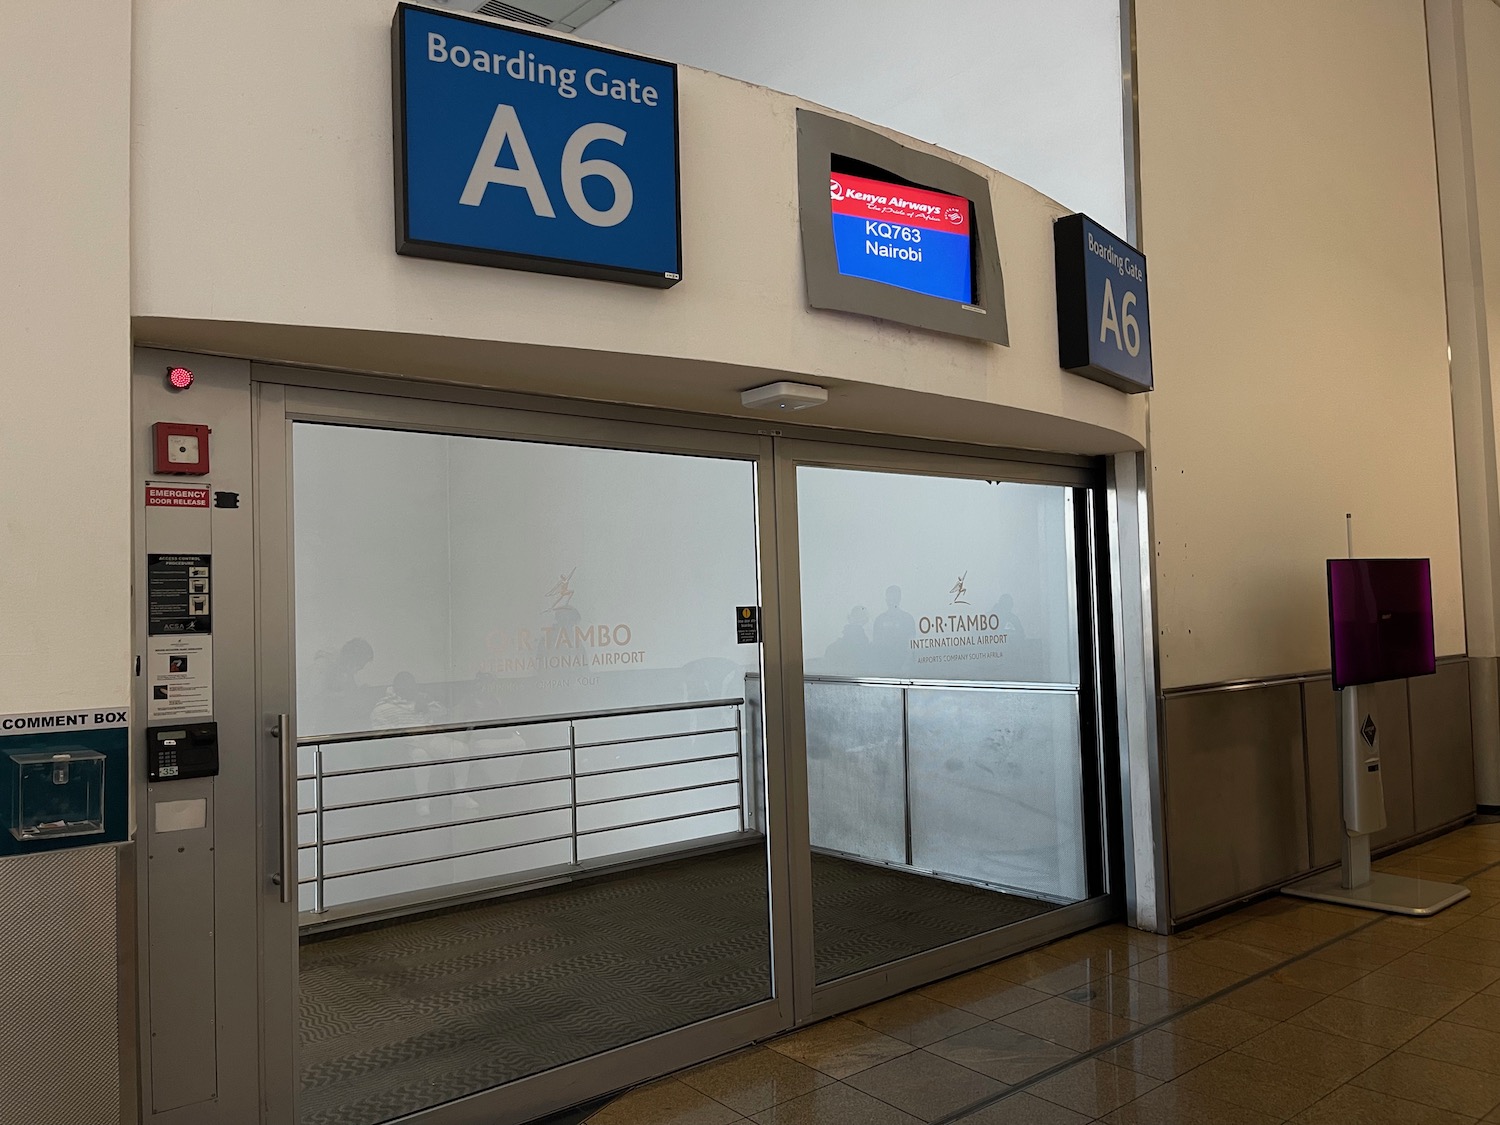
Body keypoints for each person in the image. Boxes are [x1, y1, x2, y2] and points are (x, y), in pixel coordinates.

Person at [872, 585, 916, 674]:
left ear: (899, 599)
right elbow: (875, 644)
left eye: (894, 598)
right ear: (886, 599)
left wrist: (907, 665)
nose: (891, 601)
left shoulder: (907, 618)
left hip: (902, 667)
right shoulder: (879, 620)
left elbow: (912, 645)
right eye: (889, 598)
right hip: (883, 667)